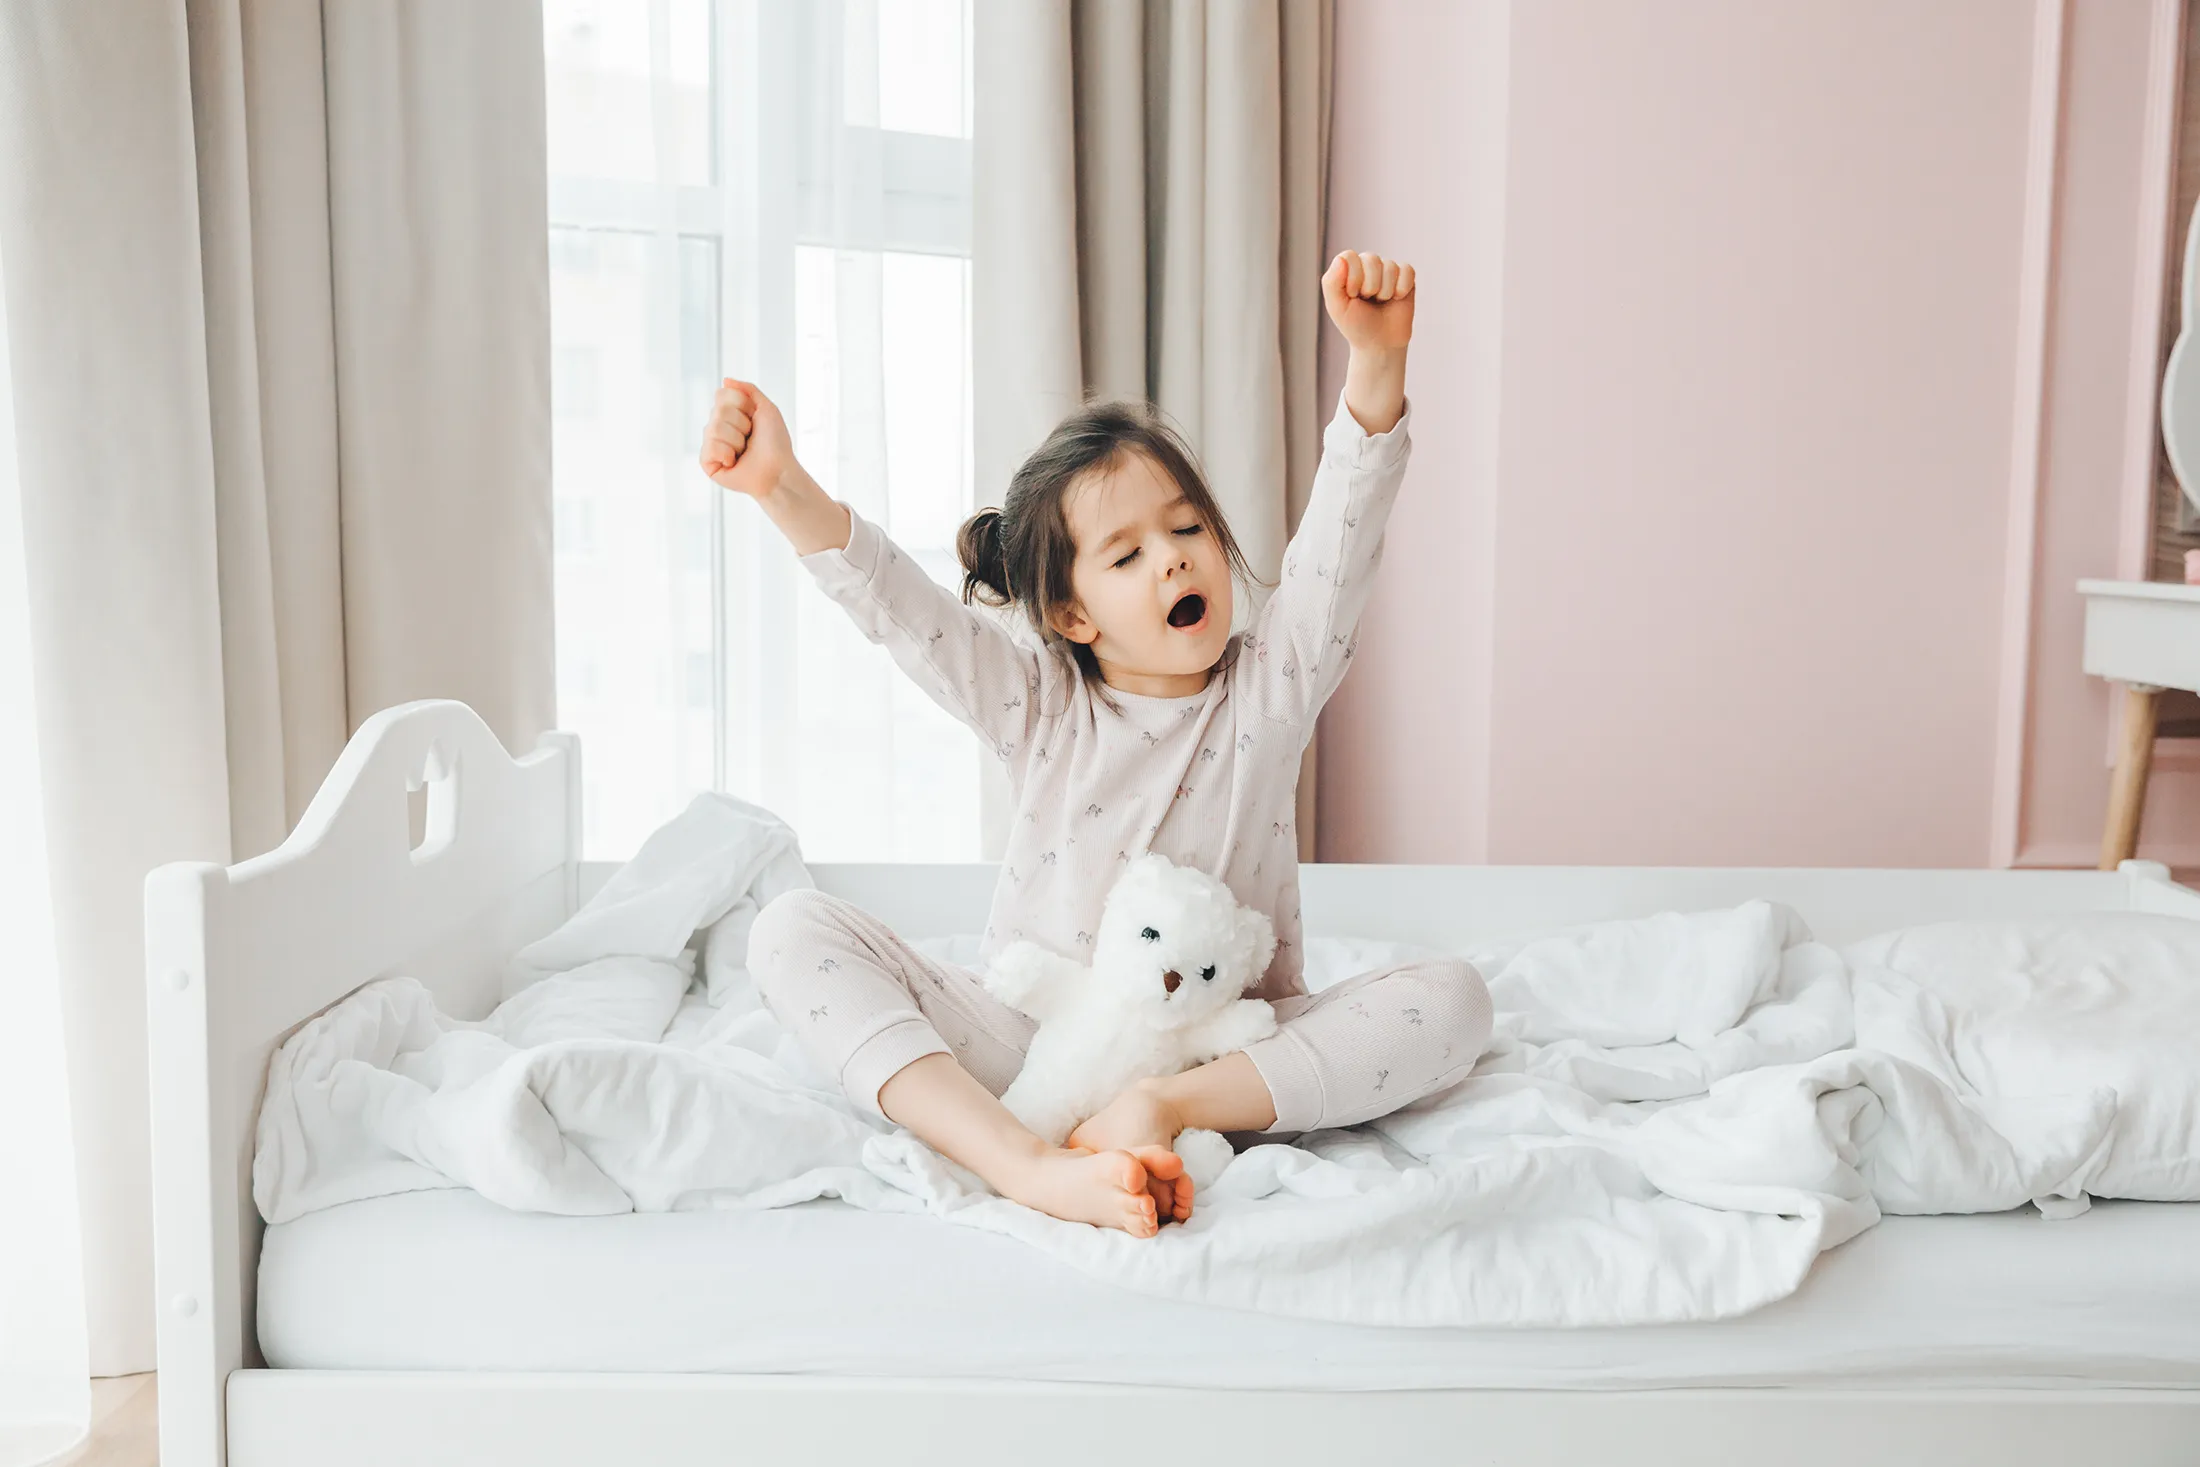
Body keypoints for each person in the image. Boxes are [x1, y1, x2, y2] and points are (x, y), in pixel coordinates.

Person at [700, 251, 1492, 1237]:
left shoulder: (1267, 691)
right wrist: (782, 487)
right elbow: (902, 612)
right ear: (1071, 614)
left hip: (1220, 1053)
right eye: (1127, 554)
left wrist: (1375, 367)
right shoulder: (1037, 705)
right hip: (1036, 1050)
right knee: (787, 930)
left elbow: (1339, 549)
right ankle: (1021, 1164)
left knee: (1455, 999)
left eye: (1186, 528)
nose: (1173, 558)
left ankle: (1152, 1116)